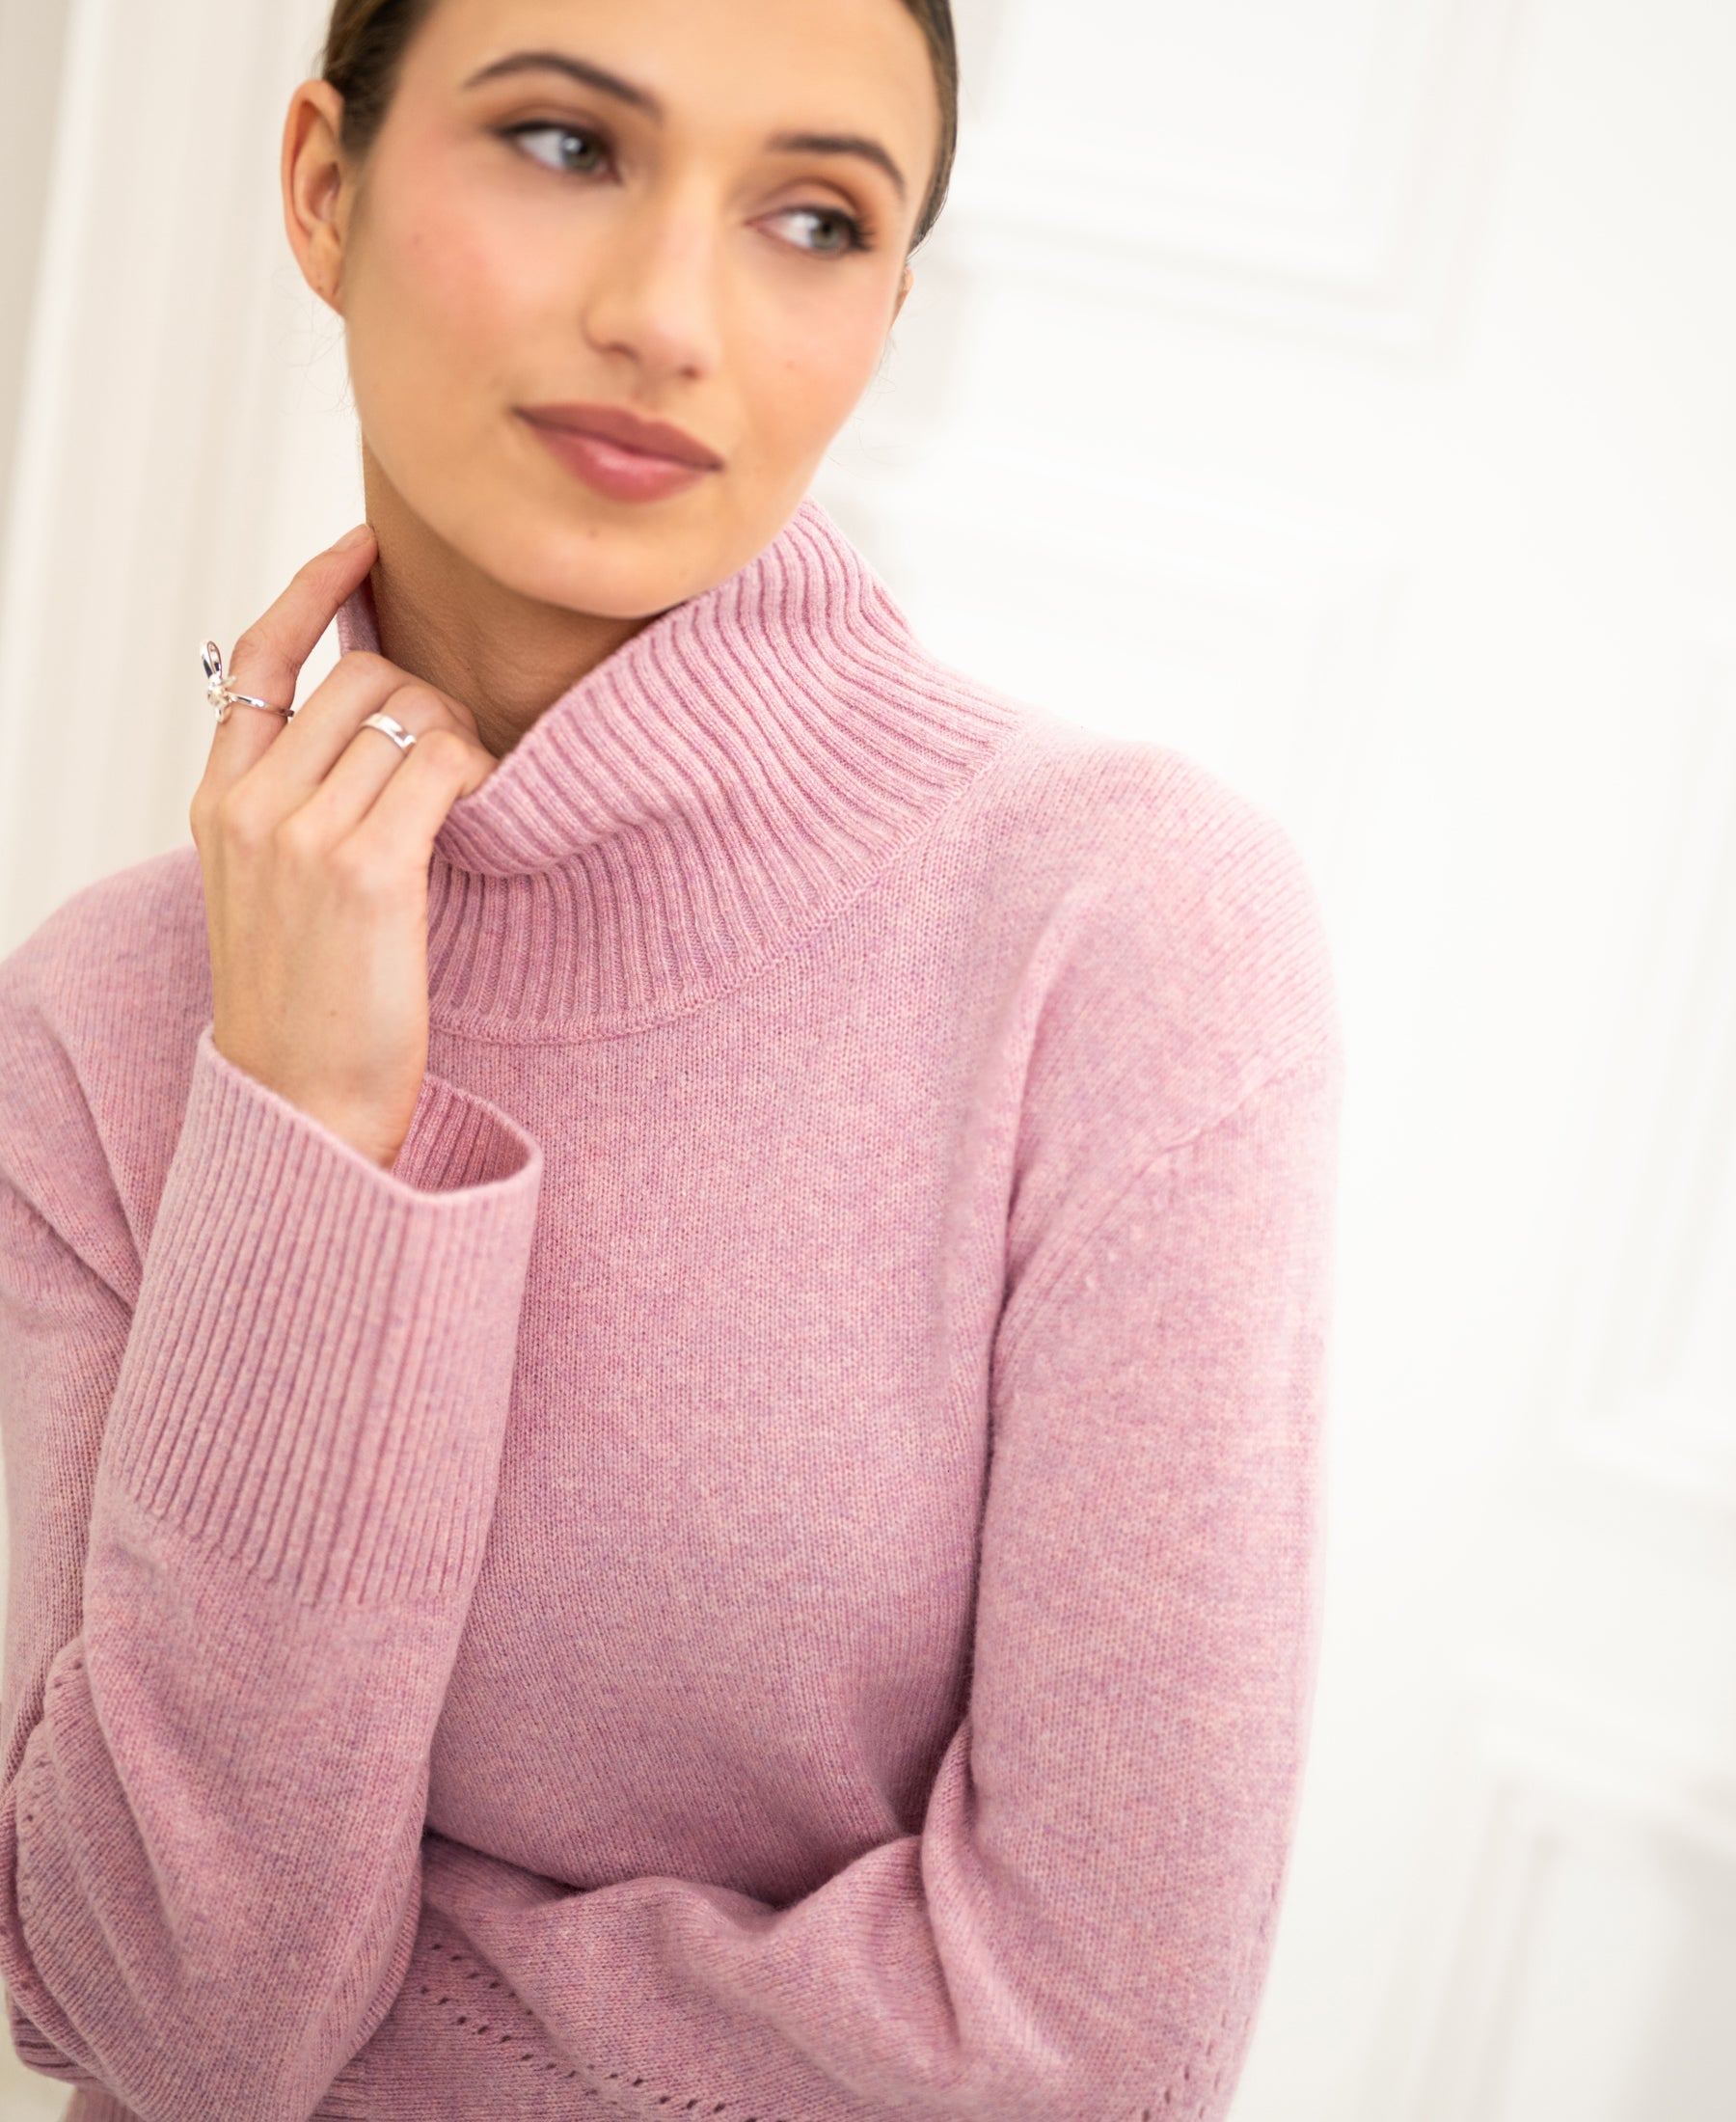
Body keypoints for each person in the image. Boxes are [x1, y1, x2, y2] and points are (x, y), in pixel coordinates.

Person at [0, 1, 1343, 2116]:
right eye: (562, 146)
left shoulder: (1123, 934)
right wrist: (304, 1131)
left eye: (811, 215)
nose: (669, 315)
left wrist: (376, 2005)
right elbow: (166, 2013)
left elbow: (1091, 2049)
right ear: (322, 189)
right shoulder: (102, 1019)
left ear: (889, 313)